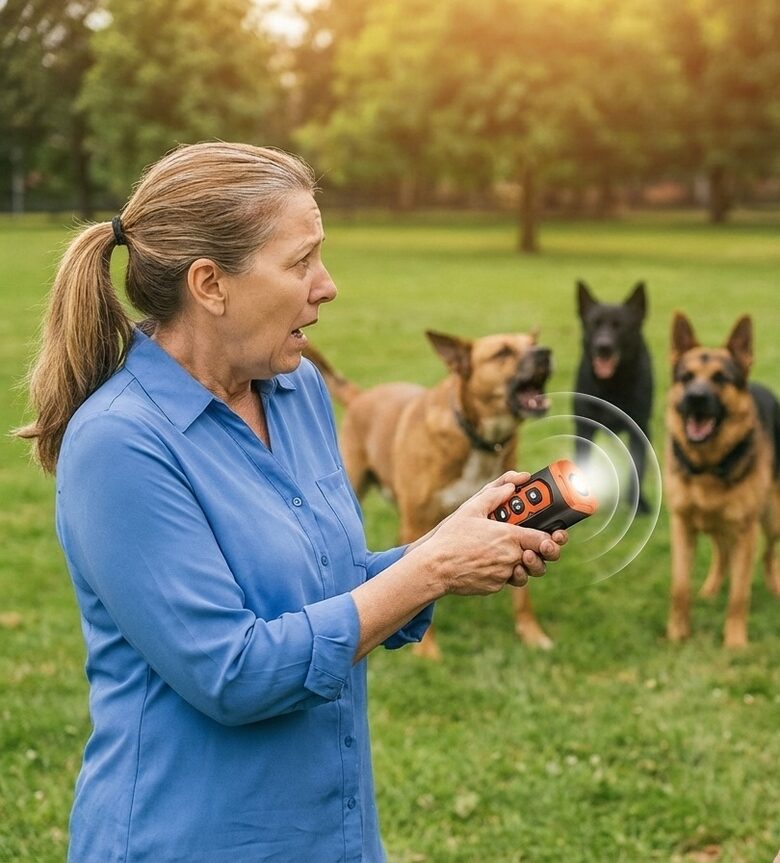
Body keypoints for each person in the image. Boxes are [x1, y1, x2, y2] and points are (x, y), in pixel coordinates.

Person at [17, 142, 567, 863]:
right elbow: (233, 672)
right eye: (301, 261)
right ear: (210, 283)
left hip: (330, 832)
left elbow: (320, 588)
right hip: (188, 840)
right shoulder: (120, 443)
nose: (328, 284)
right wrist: (429, 570)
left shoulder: (296, 386)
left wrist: (446, 545)